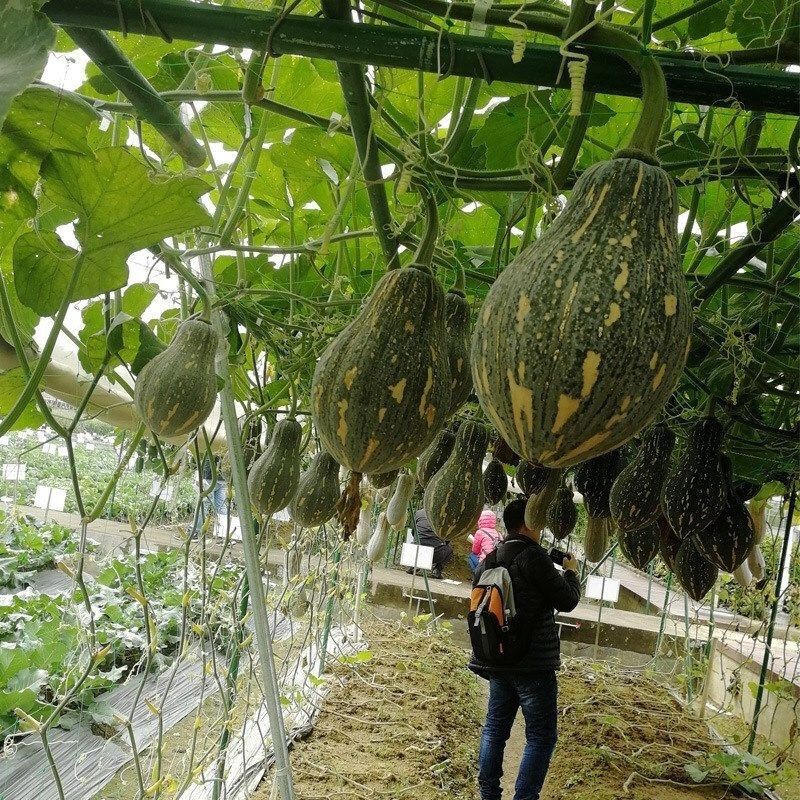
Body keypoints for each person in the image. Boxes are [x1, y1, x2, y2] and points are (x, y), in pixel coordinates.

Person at [470, 497, 581, 800]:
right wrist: (571, 571)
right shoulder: (534, 557)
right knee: (541, 738)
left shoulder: (489, 560)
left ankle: (488, 794)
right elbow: (567, 600)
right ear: (530, 522)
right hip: (533, 664)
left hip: (498, 658)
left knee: (494, 730)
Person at [413, 509, 454, 579]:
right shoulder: (444, 516)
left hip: (417, 551)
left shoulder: (418, 513)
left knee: (415, 542)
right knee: (449, 550)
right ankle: (437, 570)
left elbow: (413, 532)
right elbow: (447, 539)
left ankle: (413, 566)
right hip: (435, 554)